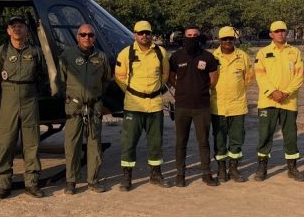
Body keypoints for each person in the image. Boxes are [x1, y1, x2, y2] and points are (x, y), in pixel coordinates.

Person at [0, 16, 46, 199]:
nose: (17, 29)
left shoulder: (36, 52)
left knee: (32, 143)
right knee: (6, 143)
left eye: (20, 26)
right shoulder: (1, 52)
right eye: (13, 26)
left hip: (30, 98)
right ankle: (4, 184)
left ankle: (32, 183)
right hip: (8, 99)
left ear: (26, 30)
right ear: (8, 31)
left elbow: (44, 74)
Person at [114, 20, 170, 191]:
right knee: (128, 142)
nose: (144, 36)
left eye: (147, 33)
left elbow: (165, 74)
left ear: (151, 34)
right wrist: (133, 92)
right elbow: (119, 77)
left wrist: (155, 90)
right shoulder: (125, 53)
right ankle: (126, 177)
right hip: (133, 105)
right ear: (135, 34)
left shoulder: (160, 52)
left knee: (155, 142)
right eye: (140, 33)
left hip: (155, 105)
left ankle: (156, 174)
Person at [57, 24, 111, 194]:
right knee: (72, 144)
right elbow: (61, 79)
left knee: (94, 144)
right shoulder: (67, 56)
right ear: (77, 36)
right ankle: (71, 181)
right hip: (74, 105)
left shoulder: (101, 57)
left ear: (94, 37)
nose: (87, 38)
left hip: (94, 105)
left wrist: (95, 96)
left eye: (90, 35)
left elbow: (106, 79)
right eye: (83, 35)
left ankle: (93, 181)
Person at [254, 20, 304, 181]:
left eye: (283, 30)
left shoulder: (294, 52)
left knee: (290, 136)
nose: (280, 33)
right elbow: (260, 76)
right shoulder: (263, 53)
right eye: (277, 31)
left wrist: (285, 93)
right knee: (265, 135)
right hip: (267, 102)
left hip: (289, 102)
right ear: (271, 34)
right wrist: (272, 92)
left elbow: (299, 75)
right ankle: (262, 168)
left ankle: (292, 167)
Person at [168, 25, 220, 186]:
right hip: (182, 106)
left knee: (203, 142)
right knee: (180, 142)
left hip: (202, 107)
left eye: (195, 35)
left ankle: (206, 174)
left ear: (200, 37)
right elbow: (171, 78)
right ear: (184, 37)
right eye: (189, 35)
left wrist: (200, 90)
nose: (192, 38)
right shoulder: (176, 56)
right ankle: (180, 175)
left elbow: (213, 79)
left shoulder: (208, 57)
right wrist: (182, 90)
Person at [210, 26, 253, 183]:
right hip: (218, 106)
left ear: (234, 39)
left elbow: (249, 77)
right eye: (224, 39)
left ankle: (234, 169)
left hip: (237, 106)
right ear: (219, 40)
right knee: (219, 139)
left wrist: (239, 91)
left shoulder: (242, 56)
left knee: (237, 139)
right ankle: (221, 169)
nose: (228, 41)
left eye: (231, 38)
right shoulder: (213, 57)